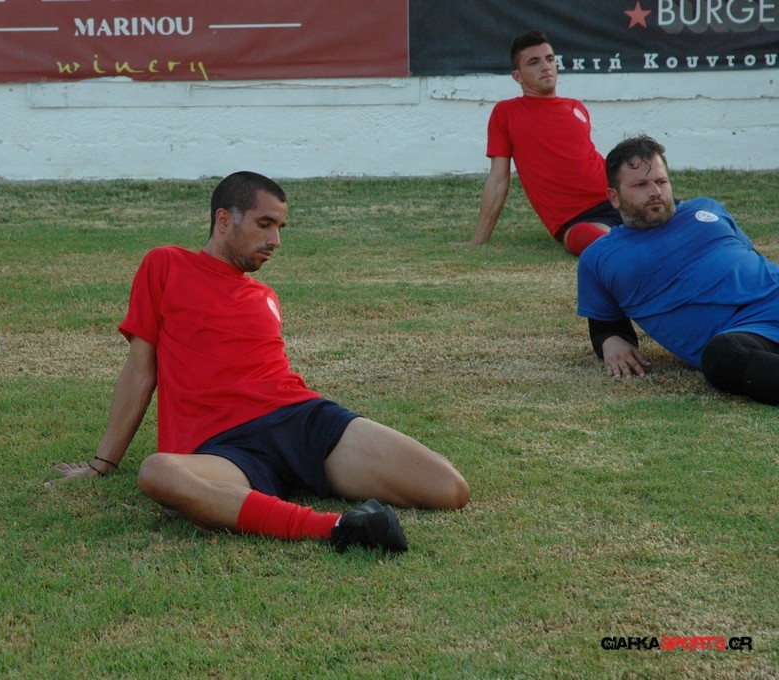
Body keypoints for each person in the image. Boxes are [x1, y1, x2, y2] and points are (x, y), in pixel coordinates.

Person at [52, 171, 470, 552]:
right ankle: (336, 527)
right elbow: (139, 371)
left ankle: (301, 486)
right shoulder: (166, 265)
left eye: (280, 228)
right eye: (264, 224)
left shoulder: (264, 296)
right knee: (157, 473)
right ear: (224, 220)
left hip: (302, 421)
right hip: (225, 448)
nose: (275, 241)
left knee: (449, 488)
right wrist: (102, 465)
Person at [577, 135, 779, 405]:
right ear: (614, 197)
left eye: (661, 182)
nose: (655, 191)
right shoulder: (599, 258)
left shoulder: (706, 208)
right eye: (640, 185)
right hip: (742, 334)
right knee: (723, 358)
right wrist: (610, 341)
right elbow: (604, 326)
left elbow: (750, 258)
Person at [455, 29, 620, 256]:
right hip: (580, 219)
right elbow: (498, 179)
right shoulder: (506, 113)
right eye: (534, 62)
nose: (545, 66)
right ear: (518, 76)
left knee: (669, 211)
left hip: (619, 196)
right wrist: (478, 239)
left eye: (550, 59)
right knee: (588, 241)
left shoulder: (576, 107)